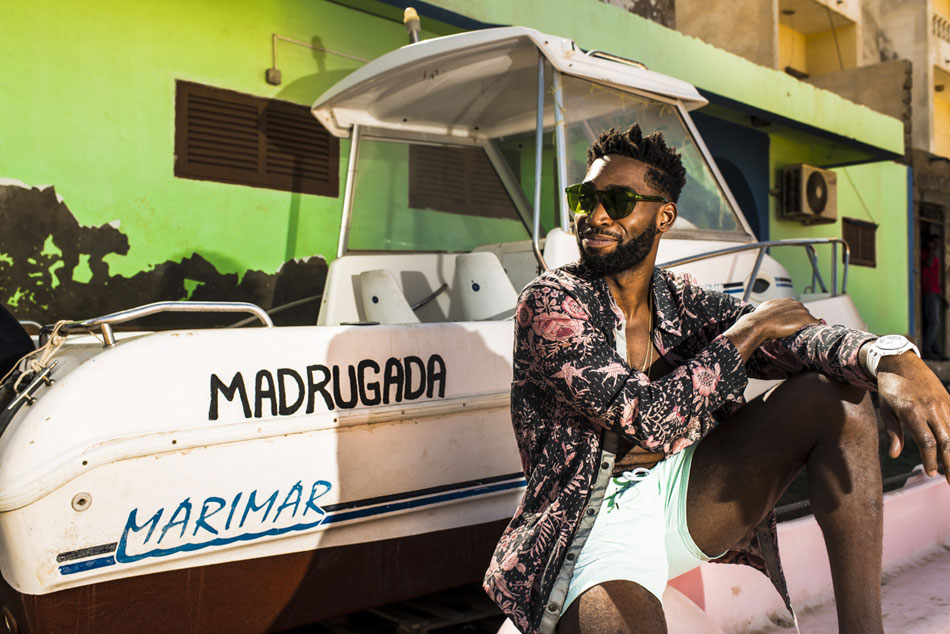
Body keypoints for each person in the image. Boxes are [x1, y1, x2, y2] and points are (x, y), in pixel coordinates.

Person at [483, 124, 950, 634]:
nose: (594, 215)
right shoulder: (551, 303)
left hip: (684, 497)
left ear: (663, 216)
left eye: (617, 201)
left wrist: (891, 359)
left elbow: (797, 340)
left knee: (835, 399)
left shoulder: (679, 301)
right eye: (584, 197)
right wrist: (746, 333)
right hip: (588, 528)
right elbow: (649, 421)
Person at [921, 234, 947, 360]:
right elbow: (928, 264)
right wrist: (930, 250)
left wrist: (941, 296)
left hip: (935, 292)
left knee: (933, 322)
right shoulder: (925, 255)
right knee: (933, 321)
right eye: (934, 243)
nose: (936, 246)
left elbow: (935, 279)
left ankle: (935, 350)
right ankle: (927, 349)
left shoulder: (935, 257)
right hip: (929, 292)